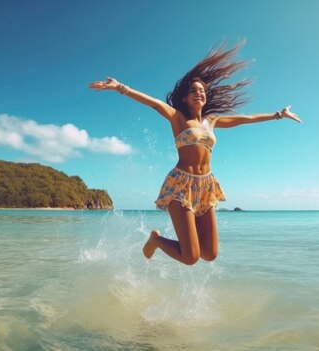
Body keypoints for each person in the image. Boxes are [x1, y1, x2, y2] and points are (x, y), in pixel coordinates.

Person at [89, 43, 301, 265]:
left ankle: (162, 241)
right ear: (185, 98)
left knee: (209, 254)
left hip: (206, 186)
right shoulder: (178, 118)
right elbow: (155, 104)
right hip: (181, 185)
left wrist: (278, 114)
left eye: (202, 91)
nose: (199, 93)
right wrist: (120, 87)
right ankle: (157, 240)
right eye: (193, 90)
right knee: (190, 257)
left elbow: (246, 119)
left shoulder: (213, 121)